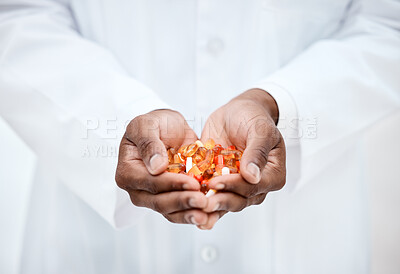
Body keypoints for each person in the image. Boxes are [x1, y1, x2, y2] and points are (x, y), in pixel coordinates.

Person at [0, 0, 399, 273]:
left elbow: (387, 24)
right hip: (91, 232)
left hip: (305, 231)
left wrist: (279, 104)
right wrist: (122, 118)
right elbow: (18, 17)